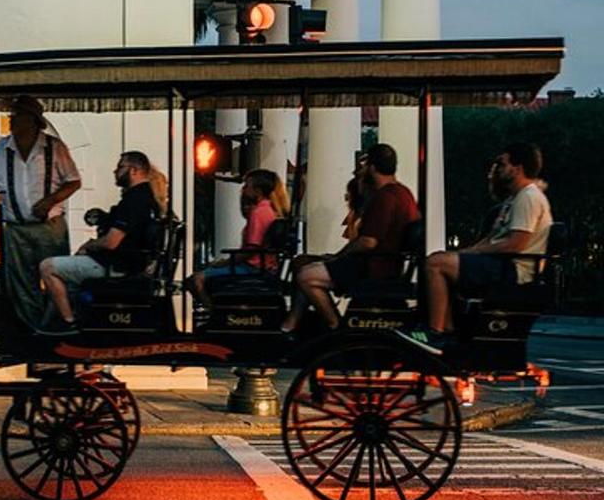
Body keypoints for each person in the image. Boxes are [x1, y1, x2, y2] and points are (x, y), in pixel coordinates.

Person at [397, 142, 553, 356]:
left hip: (514, 270)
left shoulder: (528, 198)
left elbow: (516, 244)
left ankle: (435, 332)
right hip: (503, 265)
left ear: (517, 168)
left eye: (503, 163)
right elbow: (492, 239)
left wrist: (471, 254)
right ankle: (448, 330)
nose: (498, 168)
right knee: (441, 260)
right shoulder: (515, 199)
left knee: (435, 264)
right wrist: (464, 253)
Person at [283, 143, 419, 334]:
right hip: (384, 263)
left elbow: (368, 242)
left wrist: (338, 257)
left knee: (305, 276)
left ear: (372, 167)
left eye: (364, 165)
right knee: (303, 264)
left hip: (372, 266)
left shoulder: (385, 197)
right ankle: (293, 322)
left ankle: (334, 326)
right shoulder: (404, 194)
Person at [0, 96, 81, 330]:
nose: (11, 121)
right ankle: (34, 329)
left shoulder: (54, 148)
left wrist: (51, 200)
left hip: (50, 228)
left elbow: (73, 181)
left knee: (55, 279)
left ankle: (56, 325)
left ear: (33, 121)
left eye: (17, 116)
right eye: (12, 116)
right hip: (15, 229)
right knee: (22, 284)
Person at [38, 151, 162, 335]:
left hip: (116, 266)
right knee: (69, 281)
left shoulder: (134, 200)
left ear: (134, 170)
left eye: (120, 167)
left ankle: (68, 323)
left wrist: (89, 245)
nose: (115, 171)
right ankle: (49, 327)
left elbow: (112, 242)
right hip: (128, 264)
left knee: (48, 267)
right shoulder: (147, 199)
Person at [186, 169, 285, 327]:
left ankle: (217, 316)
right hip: (262, 266)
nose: (243, 189)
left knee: (196, 279)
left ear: (257, 191)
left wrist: (224, 262)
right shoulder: (270, 210)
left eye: (247, 186)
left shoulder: (259, 213)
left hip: (253, 267)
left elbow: (250, 250)